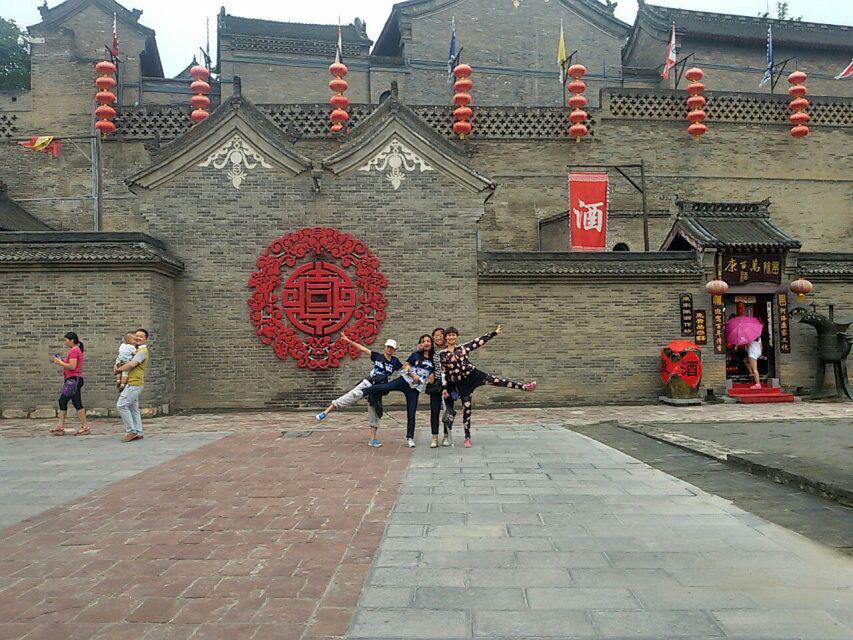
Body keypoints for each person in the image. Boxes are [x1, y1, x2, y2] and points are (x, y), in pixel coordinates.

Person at [441, 325, 536, 448]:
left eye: (453, 335)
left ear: (456, 336)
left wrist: (494, 333)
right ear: (446, 337)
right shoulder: (442, 354)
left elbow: (478, 341)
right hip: (462, 383)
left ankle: (524, 387)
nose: (451, 337)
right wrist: (444, 388)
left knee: (497, 381)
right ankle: (467, 437)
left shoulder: (463, 348)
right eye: (449, 335)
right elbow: (444, 372)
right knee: (467, 408)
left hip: (473, 375)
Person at [316, 334, 410, 447]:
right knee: (350, 396)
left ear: (394, 350)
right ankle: (325, 412)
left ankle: (373, 439)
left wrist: (413, 369)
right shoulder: (377, 356)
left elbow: (404, 368)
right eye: (388, 347)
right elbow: (362, 349)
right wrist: (348, 341)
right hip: (368, 383)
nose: (390, 349)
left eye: (392, 348)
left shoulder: (395, 361)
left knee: (375, 413)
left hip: (377, 389)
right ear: (385, 347)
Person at [362, 335, 432, 448]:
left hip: (415, 388)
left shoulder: (433, 358)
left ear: (431, 343)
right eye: (424, 341)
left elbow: (432, 372)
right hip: (404, 381)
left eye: (428, 341)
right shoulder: (415, 355)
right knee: (385, 387)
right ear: (420, 343)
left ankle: (410, 438)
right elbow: (405, 366)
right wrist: (412, 374)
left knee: (411, 412)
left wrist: (431, 378)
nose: (426, 343)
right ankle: (364, 391)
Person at [50, 331, 90, 436]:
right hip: (73, 380)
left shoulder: (74, 350)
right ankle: (61, 426)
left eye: (66, 340)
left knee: (71, 402)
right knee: (66, 402)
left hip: (73, 380)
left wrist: (60, 362)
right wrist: (62, 361)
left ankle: (84, 427)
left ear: (72, 340)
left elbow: (72, 366)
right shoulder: (75, 350)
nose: (65, 342)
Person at [114, 328, 149, 442]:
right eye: (137, 336)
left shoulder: (142, 351)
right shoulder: (134, 349)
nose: (138, 338)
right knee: (134, 408)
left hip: (134, 383)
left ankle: (131, 431)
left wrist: (118, 370)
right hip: (131, 382)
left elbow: (132, 364)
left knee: (121, 405)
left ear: (146, 339)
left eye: (141, 337)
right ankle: (138, 432)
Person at [427, 327, 455, 448]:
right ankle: (434, 438)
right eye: (436, 336)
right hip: (436, 383)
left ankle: (446, 436)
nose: (438, 338)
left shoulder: (450, 349)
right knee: (435, 411)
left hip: (449, 383)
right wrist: (430, 373)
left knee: (448, 410)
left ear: (444, 336)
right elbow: (425, 362)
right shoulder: (431, 351)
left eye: (440, 335)